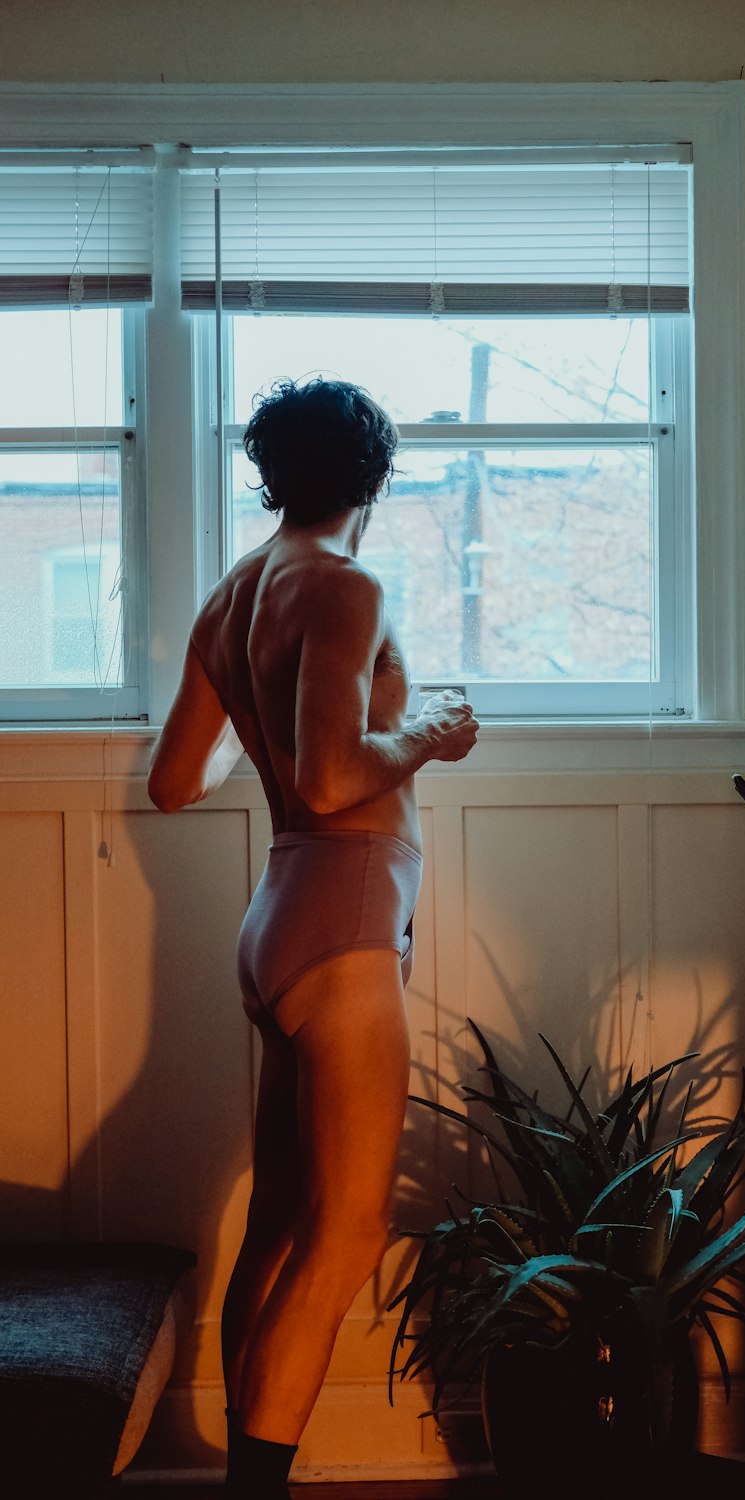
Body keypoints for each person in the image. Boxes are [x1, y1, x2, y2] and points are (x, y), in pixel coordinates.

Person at [147, 378, 479, 1498]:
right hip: (337, 920)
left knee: (284, 1221)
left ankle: (249, 1464)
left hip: (277, 917)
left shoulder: (230, 597)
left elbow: (175, 780)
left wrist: (284, 741)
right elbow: (338, 778)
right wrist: (428, 730)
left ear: (269, 474)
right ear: (374, 477)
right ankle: (258, 1488)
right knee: (346, 1231)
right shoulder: (344, 585)